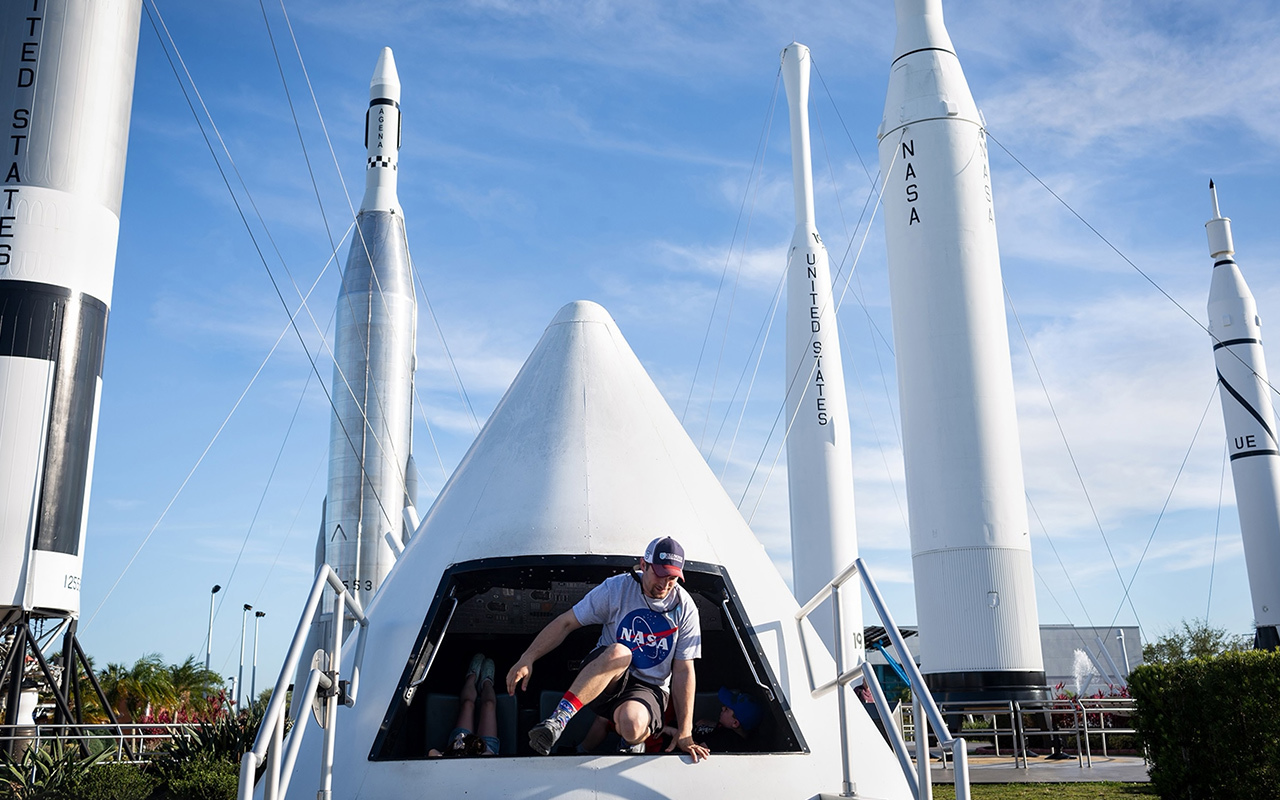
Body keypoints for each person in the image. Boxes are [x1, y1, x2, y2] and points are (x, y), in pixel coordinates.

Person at [506, 536, 708, 761]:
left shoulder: (685, 607)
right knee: (621, 652)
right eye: (659, 575)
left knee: (632, 723)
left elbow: (683, 670)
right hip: (606, 676)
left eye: (672, 578)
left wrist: (685, 732)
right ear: (644, 565)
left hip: (649, 687)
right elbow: (566, 622)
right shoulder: (617, 588)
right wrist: (528, 657)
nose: (665, 585)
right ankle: (557, 722)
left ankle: (631, 742)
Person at [429, 653, 501, 757]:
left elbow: (432, 752)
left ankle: (472, 677)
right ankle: (487, 682)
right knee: (489, 705)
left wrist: (446, 756)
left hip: (459, 744)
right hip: (486, 747)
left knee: (467, 705)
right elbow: (489, 755)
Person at [683, 687, 763, 753]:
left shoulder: (725, 741)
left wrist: (674, 732)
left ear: (735, 723)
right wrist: (714, 724)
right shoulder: (744, 733)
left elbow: (697, 749)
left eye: (727, 709)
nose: (722, 708)